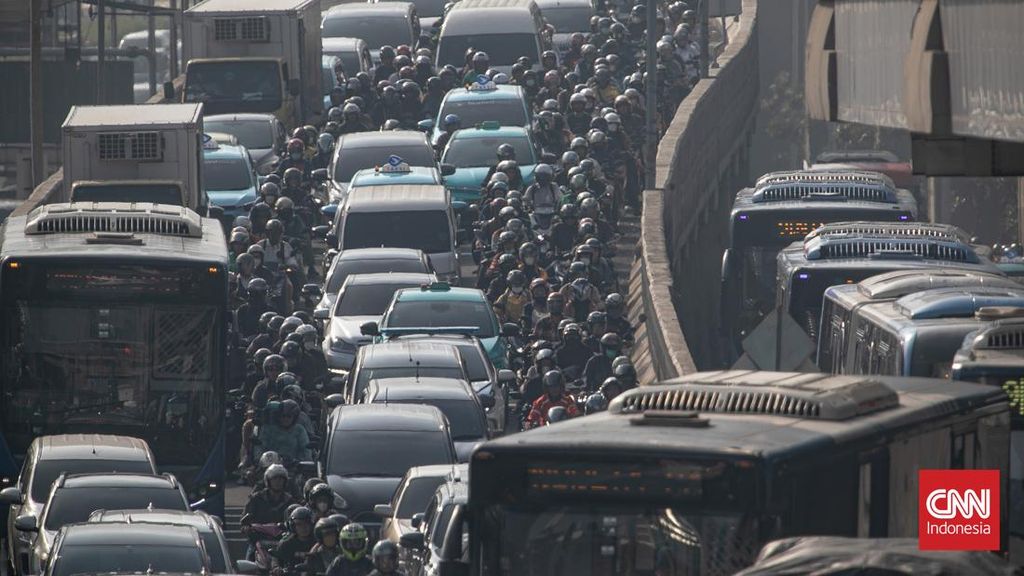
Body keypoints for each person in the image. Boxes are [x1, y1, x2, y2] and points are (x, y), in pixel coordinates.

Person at [242, 464, 297, 558]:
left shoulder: (290, 501)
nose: (278, 482)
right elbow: (245, 518)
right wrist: (246, 527)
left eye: (281, 479)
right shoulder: (256, 498)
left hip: (283, 541)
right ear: (268, 481)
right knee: (248, 563)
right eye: (274, 479)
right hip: (259, 540)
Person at [275, 506, 317, 571]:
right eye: (299, 524)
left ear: (311, 524)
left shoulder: (317, 542)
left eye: (306, 523)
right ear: (293, 526)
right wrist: (276, 568)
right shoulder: (286, 543)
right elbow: (277, 559)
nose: (303, 527)